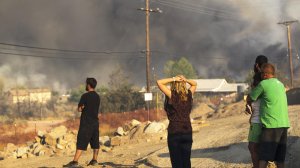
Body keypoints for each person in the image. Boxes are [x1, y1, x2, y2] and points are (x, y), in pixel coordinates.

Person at [247, 63, 290, 168]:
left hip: (271, 125)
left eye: (262, 73)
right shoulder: (281, 84)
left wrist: (248, 101)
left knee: (264, 158)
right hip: (284, 125)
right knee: (280, 159)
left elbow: (251, 97)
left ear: (265, 74)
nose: (261, 75)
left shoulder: (263, 84)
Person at [157, 75, 197, 168]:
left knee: (176, 161)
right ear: (184, 85)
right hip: (187, 131)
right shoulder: (189, 94)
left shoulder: (172, 95)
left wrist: (173, 79)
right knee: (186, 160)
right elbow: (195, 84)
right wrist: (186, 80)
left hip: (174, 132)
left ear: (174, 85)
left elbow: (159, 82)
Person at [64, 78, 101, 167]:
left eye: (86, 84)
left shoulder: (85, 96)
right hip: (95, 122)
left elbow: (80, 109)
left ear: (88, 85)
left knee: (81, 141)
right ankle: (94, 160)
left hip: (86, 123)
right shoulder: (97, 96)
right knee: (95, 142)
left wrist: (83, 107)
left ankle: (75, 162)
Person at [247, 55, 268, 168]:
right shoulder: (270, 79)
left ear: (256, 65)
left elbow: (252, 98)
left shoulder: (257, 79)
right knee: (261, 147)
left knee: (252, 147)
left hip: (257, 118)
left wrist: (248, 102)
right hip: (266, 117)